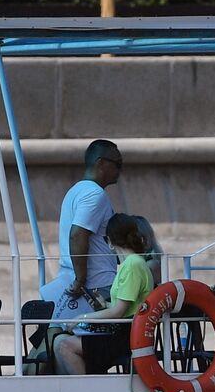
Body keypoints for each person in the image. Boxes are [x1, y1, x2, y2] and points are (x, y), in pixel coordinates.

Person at [53, 213, 155, 375]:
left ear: (110, 242)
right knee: (62, 342)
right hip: (126, 331)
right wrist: (104, 305)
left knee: (64, 346)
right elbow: (125, 307)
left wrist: (81, 318)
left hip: (125, 336)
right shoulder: (135, 264)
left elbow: (119, 312)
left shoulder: (132, 266)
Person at [42, 139, 122, 320]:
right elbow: (78, 234)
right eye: (117, 164)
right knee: (102, 344)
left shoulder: (75, 191)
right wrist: (80, 280)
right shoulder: (95, 194)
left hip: (76, 282)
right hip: (95, 285)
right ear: (101, 163)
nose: (120, 169)